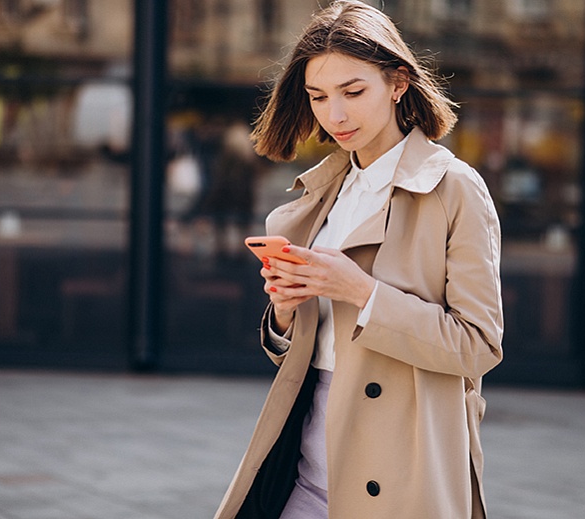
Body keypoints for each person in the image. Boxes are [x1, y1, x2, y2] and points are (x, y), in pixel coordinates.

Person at [215, 2, 503, 518]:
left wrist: (361, 292)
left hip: (401, 469)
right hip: (305, 462)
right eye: (318, 97)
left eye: (353, 92)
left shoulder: (454, 189)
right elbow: (307, 348)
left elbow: (478, 346)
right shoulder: (325, 192)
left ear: (397, 83)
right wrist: (285, 309)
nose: (335, 115)